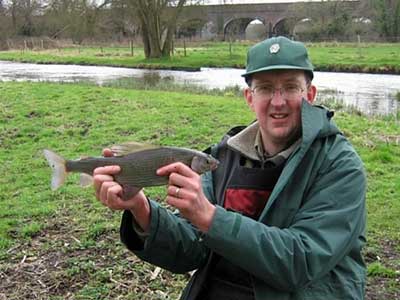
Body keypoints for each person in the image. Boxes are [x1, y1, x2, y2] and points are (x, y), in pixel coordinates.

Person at [93, 36, 367, 299]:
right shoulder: (223, 158)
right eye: (266, 88)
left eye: (291, 87)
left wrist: (211, 217)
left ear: (310, 94)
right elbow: (191, 251)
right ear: (249, 97)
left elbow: (301, 261)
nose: (278, 101)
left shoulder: (340, 166)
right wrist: (141, 209)